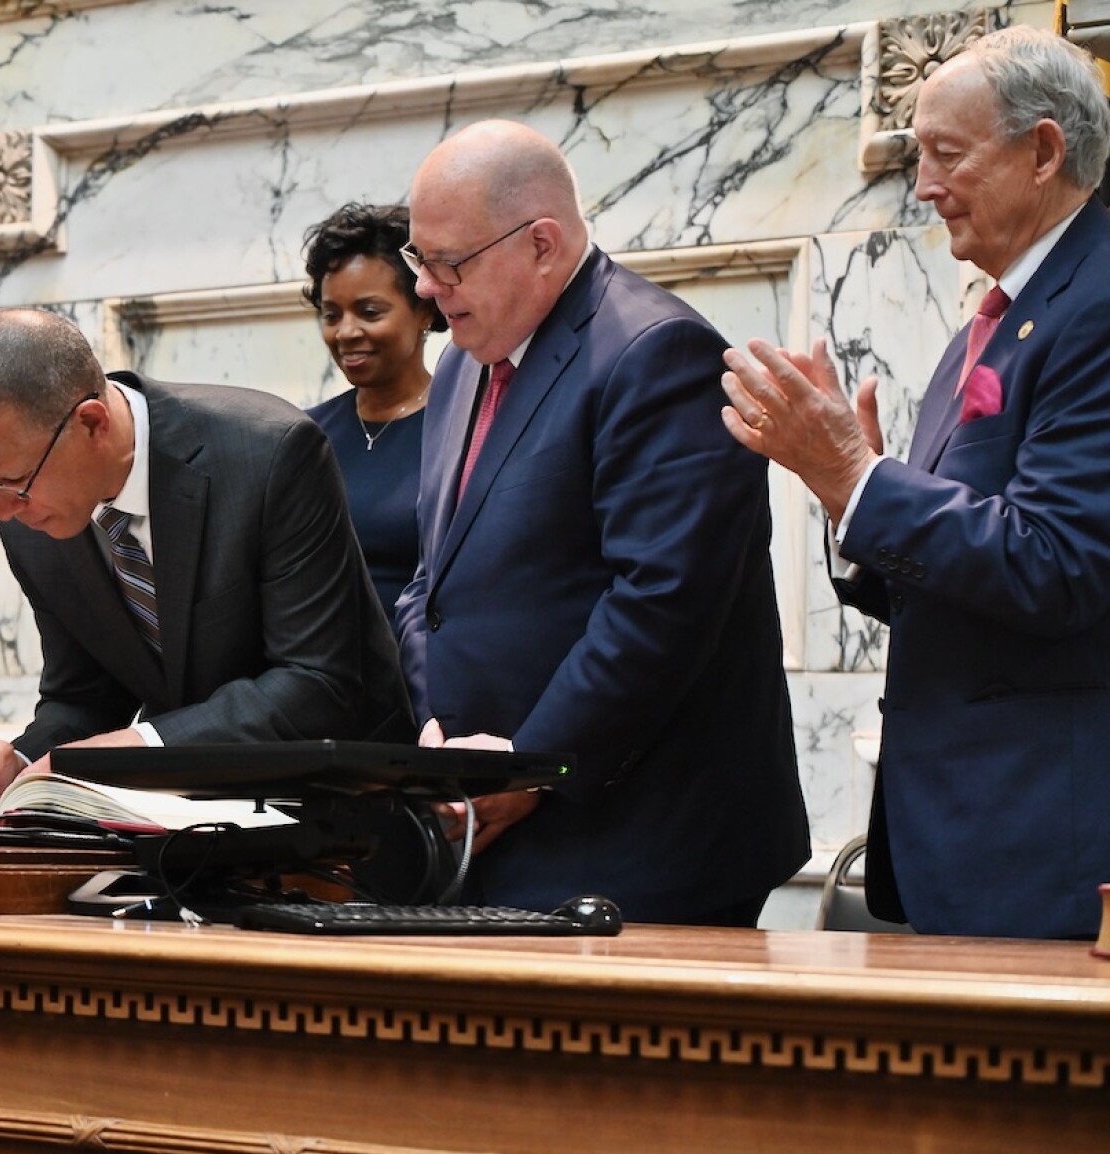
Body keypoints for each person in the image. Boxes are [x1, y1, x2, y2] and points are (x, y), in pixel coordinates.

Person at [719, 27, 1110, 939]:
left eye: (946, 154)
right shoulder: (1002, 314)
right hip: (959, 838)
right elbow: (969, 573)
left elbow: (1058, 566)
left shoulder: (1095, 309)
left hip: (1045, 839)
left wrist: (862, 479)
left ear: (1043, 151)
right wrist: (845, 500)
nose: (924, 185)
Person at [395, 120, 808, 925]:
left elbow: (663, 601)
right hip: (492, 826)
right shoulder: (460, 365)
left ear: (542, 244)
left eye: (447, 264)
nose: (424, 291)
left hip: (640, 840)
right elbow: (429, 581)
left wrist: (536, 767)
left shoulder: (658, 352)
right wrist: (436, 731)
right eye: (420, 260)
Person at [0, 308, 413, 805]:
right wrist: (17, 764)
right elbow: (85, 696)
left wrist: (138, 747)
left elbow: (315, 684)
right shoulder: (36, 520)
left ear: (91, 423)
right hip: (186, 829)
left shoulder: (269, 452)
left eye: (14, 483)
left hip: (346, 809)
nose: (4, 512)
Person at [302, 202, 446, 621]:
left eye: (369, 312)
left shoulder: (463, 426)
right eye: (331, 315)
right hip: (322, 673)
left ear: (423, 310)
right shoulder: (302, 435)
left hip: (423, 673)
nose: (346, 332)